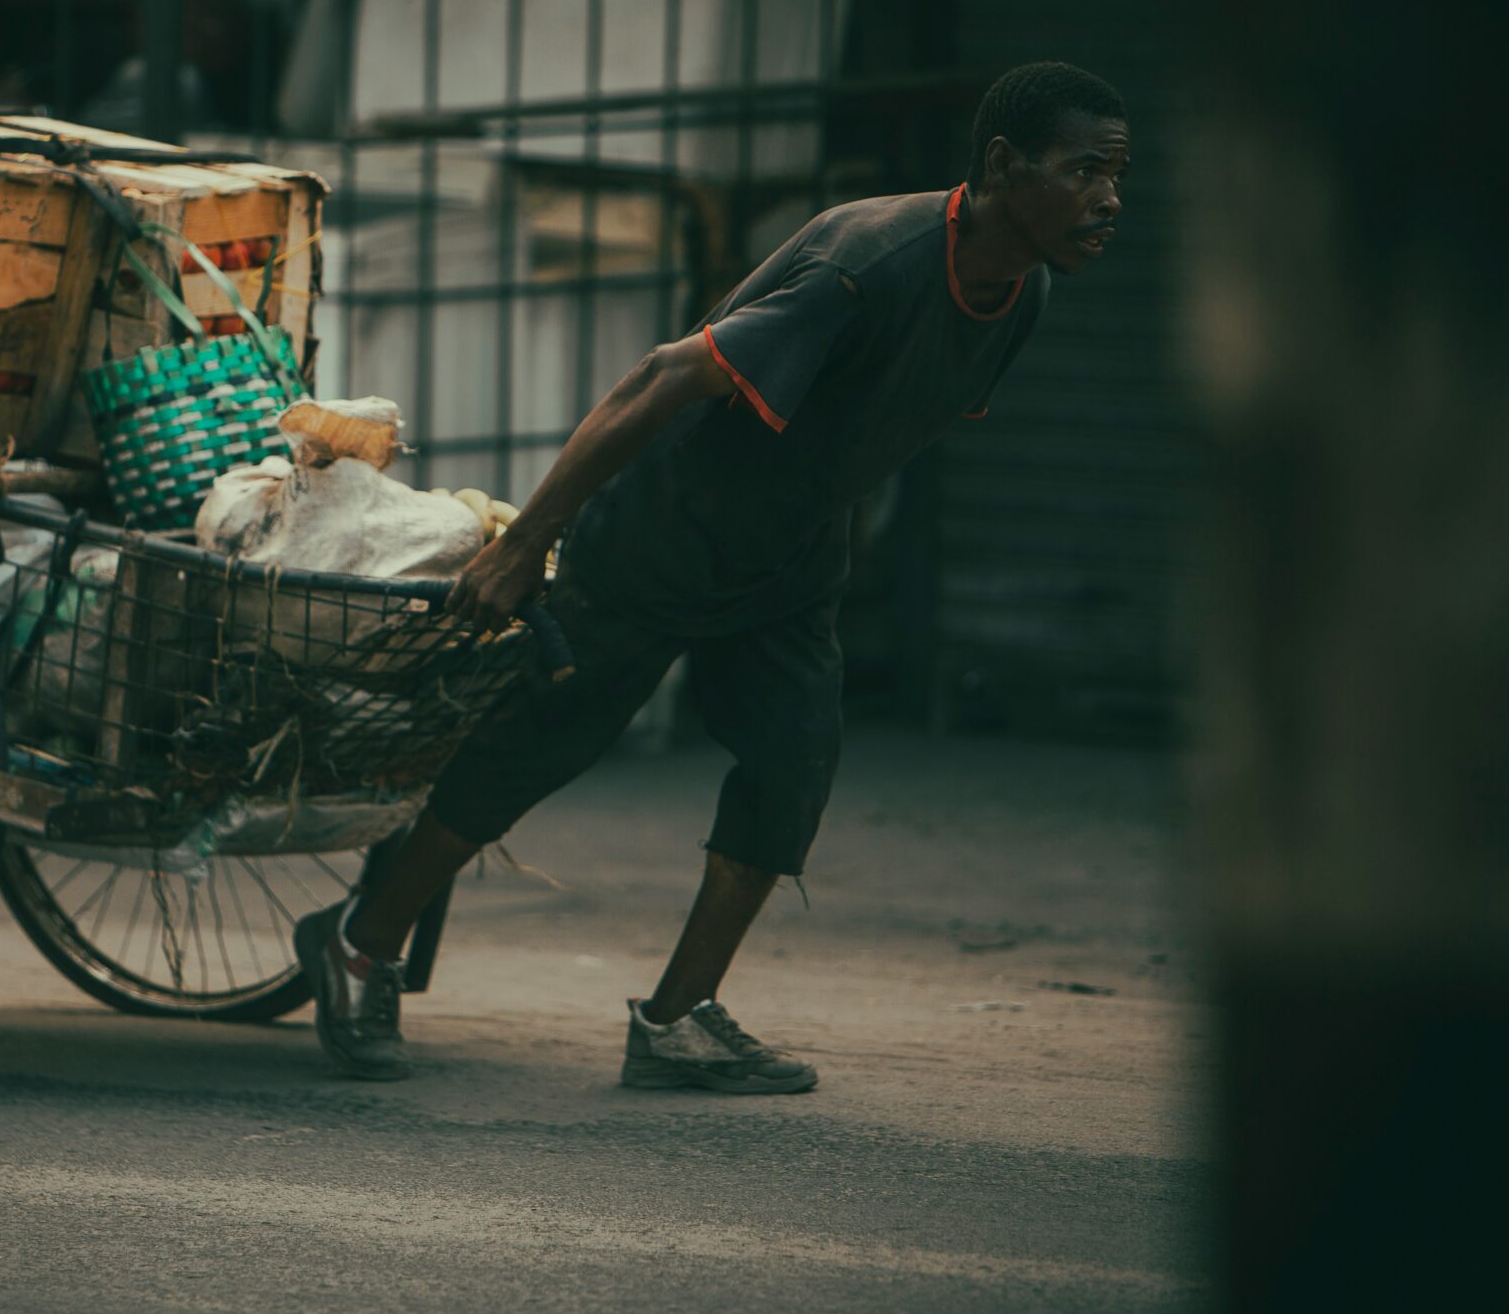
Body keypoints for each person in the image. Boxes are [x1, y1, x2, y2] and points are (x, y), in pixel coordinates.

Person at [293, 61, 1130, 1091]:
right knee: (533, 749)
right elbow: (662, 375)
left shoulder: (1023, 291)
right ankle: (359, 940)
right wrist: (522, 546)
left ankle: (675, 1019)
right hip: (665, 537)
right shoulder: (871, 264)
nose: (1108, 200)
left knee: (790, 771)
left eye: (1117, 175)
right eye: (1084, 171)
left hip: (791, 558)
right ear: (1005, 166)